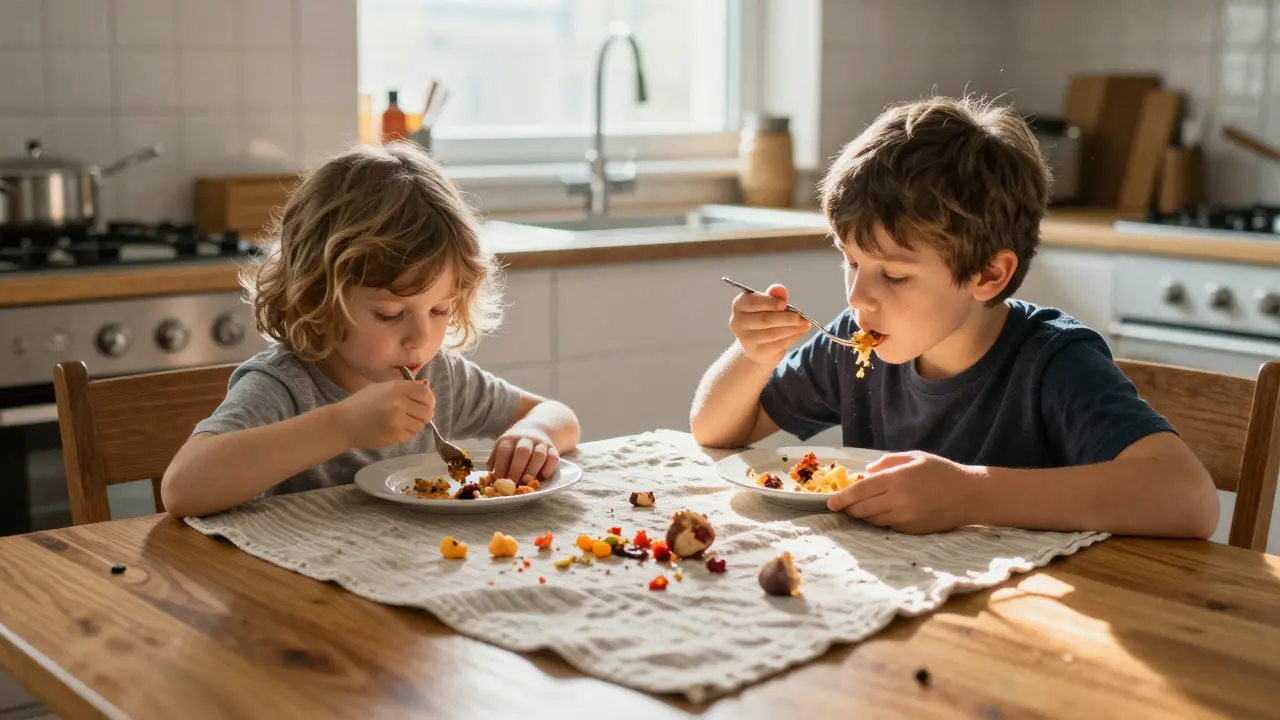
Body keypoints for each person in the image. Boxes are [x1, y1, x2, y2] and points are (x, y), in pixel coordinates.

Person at [690, 95, 1218, 539]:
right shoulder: (857, 346)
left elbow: (1190, 500)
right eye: (851, 262)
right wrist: (753, 355)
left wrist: (971, 493)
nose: (859, 297)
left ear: (988, 275)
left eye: (893, 275)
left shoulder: (1053, 362)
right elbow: (714, 430)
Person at [162, 141, 580, 517]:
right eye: (389, 314)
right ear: (317, 298)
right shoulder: (285, 386)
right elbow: (182, 488)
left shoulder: (440, 377)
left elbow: (559, 416)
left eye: (439, 310)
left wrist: (533, 434)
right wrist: (341, 425)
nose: (420, 338)